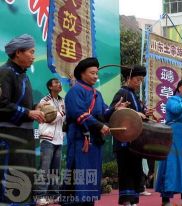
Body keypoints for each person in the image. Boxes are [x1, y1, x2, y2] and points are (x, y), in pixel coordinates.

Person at [63, 57, 123, 205]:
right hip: (80, 139)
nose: (96, 76)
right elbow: (78, 113)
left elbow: (103, 112)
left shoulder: (97, 93)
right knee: (79, 172)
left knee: (92, 175)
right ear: (82, 74)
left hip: (95, 141)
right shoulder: (75, 91)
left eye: (97, 73)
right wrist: (99, 126)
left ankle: (88, 202)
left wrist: (115, 109)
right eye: (92, 73)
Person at [0, 34, 45, 204]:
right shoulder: (5, 73)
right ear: (18, 52)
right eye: (31, 52)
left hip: (24, 136)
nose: (34, 56)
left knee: (26, 175)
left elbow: (18, 103)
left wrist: (34, 109)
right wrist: (27, 113)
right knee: (12, 177)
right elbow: (2, 104)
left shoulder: (23, 75)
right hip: (9, 136)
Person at [109, 65, 152, 206]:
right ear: (128, 78)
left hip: (135, 140)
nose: (139, 83)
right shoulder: (122, 93)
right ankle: (127, 201)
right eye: (137, 80)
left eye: (141, 80)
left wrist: (145, 114)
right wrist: (135, 113)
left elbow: (138, 116)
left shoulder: (134, 95)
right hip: (123, 140)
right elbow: (114, 113)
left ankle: (133, 201)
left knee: (135, 170)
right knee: (126, 170)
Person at [155, 79, 182, 206]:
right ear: (179, 88)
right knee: (171, 166)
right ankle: (166, 199)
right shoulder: (172, 100)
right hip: (173, 135)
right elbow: (175, 110)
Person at [35, 78, 65, 205]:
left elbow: (60, 117)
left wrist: (59, 113)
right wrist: (61, 113)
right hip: (47, 138)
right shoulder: (44, 101)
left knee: (55, 170)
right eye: (56, 83)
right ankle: (39, 196)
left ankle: (54, 195)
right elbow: (49, 118)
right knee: (44, 169)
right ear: (50, 87)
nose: (59, 84)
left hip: (59, 139)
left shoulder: (62, 100)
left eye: (60, 82)